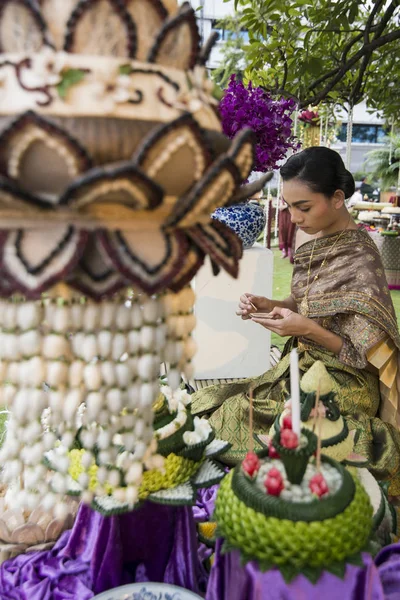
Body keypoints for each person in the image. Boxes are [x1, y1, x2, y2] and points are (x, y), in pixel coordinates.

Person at [191, 146, 400, 496]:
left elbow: (367, 355)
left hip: (345, 382)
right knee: (219, 404)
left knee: (258, 423)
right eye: (288, 206)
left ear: (337, 198)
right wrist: (269, 304)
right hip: (302, 363)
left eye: (303, 207)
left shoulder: (360, 257)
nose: (294, 217)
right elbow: (305, 302)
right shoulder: (320, 244)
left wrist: (305, 329)